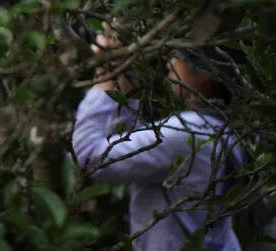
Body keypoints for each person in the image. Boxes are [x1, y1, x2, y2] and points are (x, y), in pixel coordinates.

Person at [72, 28, 246, 250]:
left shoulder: (186, 134)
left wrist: (104, 71)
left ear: (204, 75)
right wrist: (120, 80)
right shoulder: (219, 131)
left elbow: (90, 155)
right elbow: (125, 144)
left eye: (181, 56)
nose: (171, 61)